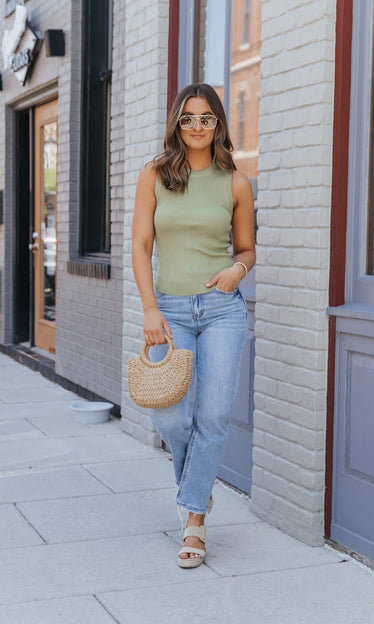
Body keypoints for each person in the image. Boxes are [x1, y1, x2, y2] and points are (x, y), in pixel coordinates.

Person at [131, 83, 256, 568]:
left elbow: (246, 248)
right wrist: (149, 309)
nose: (198, 127)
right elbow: (141, 246)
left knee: (214, 417)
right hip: (170, 310)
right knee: (169, 416)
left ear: (219, 125)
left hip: (223, 309)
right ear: (177, 124)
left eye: (207, 118)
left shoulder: (236, 182)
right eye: (189, 118)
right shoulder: (155, 175)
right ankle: (199, 491)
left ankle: (194, 522)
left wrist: (238, 269)